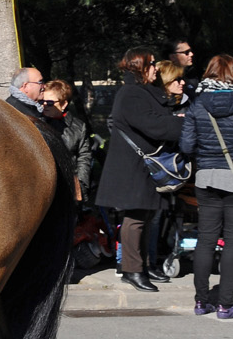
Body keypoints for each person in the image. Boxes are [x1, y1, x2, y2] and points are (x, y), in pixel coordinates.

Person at [94, 47, 183, 291]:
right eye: (152, 64)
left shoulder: (142, 91)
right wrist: (182, 123)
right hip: (132, 167)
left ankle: (142, 266)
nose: (156, 68)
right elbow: (155, 126)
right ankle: (132, 270)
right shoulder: (132, 93)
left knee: (144, 217)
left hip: (141, 166)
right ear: (140, 67)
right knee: (135, 219)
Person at [178, 54, 233, 317]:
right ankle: (225, 304)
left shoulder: (197, 105)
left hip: (206, 178)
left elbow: (187, 146)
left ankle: (201, 301)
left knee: (206, 239)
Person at [42, 79, 91, 199]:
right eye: (41, 101)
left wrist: (80, 185)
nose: (44, 105)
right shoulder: (38, 123)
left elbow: (84, 157)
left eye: (49, 102)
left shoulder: (78, 127)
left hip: (69, 189)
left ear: (64, 104)